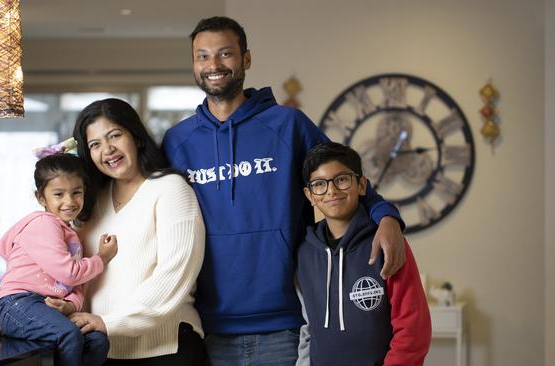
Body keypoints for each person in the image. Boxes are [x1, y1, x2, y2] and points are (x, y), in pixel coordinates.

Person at [162, 16, 407, 365]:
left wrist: (386, 215)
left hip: (287, 323)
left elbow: (341, 175)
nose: (213, 65)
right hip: (209, 327)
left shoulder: (288, 125)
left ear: (246, 59)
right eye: (202, 56)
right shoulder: (177, 141)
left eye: (225, 54)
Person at [0, 98, 207, 366]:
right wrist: (19, 320)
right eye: (95, 144)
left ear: (135, 136)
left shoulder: (171, 189)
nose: (107, 150)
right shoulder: (89, 202)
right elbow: (65, 278)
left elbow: (173, 276)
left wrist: (108, 322)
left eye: (115, 135)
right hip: (104, 348)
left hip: (163, 348)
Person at [296, 142, 431, 366]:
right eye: (319, 184)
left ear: (361, 185)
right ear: (309, 195)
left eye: (341, 179)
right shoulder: (305, 253)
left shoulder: (388, 243)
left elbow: (413, 327)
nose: (331, 190)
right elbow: (308, 327)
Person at [0, 153, 118, 366]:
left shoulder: (70, 234)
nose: (69, 202)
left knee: (97, 340)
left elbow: (74, 284)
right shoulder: (43, 224)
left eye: (76, 193)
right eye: (59, 194)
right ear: (41, 198)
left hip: (44, 307)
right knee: (68, 334)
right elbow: (70, 273)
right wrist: (102, 258)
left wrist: (70, 305)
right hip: (17, 302)